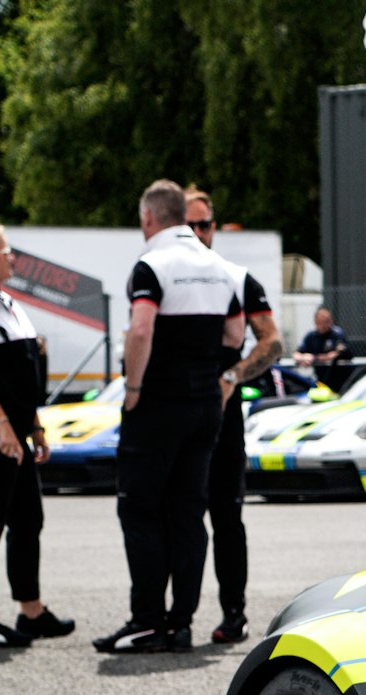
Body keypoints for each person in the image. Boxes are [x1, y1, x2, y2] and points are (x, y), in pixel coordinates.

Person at [93, 179, 243, 655]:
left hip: (158, 405)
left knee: (140, 509)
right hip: (204, 406)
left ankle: (146, 621)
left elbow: (141, 329)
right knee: (187, 513)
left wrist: (133, 388)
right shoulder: (220, 266)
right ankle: (181, 624)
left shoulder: (151, 265)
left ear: (148, 217)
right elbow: (235, 332)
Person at [0, 218, 74, 649]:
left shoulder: (8, 303)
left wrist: (33, 426)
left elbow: (21, 375)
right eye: (4, 250)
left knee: (29, 518)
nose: (11, 257)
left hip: (18, 432)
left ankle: (31, 610)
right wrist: (3, 426)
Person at [185, 189, 283, 644]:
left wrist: (234, 374)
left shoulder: (236, 278)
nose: (197, 234)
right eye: (188, 226)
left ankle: (233, 614)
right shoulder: (159, 279)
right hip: (175, 414)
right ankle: (171, 618)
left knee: (227, 516)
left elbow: (272, 342)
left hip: (223, 414)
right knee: (176, 516)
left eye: (204, 225)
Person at [294, 307, 352, 392]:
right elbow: (296, 354)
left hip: (338, 379)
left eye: (328, 321)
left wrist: (314, 358)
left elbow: (336, 354)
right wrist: (303, 358)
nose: (326, 324)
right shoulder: (311, 336)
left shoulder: (337, 334)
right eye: (322, 322)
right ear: (316, 322)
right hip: (321, 380)